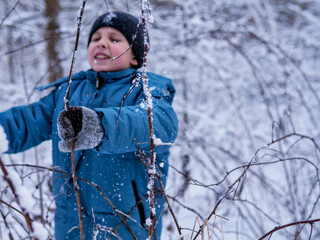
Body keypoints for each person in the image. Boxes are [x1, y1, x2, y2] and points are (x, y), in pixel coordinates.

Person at [0, 11, 178, 239]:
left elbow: (158, 124)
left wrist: (99, 126)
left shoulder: (146, 90)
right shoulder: (69, 92)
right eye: (96, 39)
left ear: (136, 56)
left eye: (114, 39)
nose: (102, 43)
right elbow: (27, 121)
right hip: (70, 223)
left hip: (126, 225)